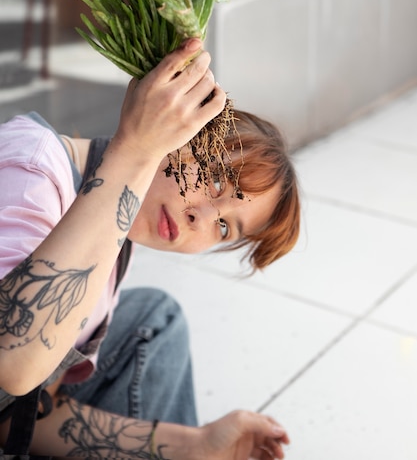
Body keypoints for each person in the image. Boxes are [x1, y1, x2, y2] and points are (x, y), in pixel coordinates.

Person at [0, 38, 300, 459]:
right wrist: (137, 147)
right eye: (215, 181)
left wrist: (191, 446)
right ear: (180, 126)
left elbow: (22, 416)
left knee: (156, 316)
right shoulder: (33, 168)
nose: (202, 218)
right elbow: (13, 361)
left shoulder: (118, 247)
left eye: (224, 227)